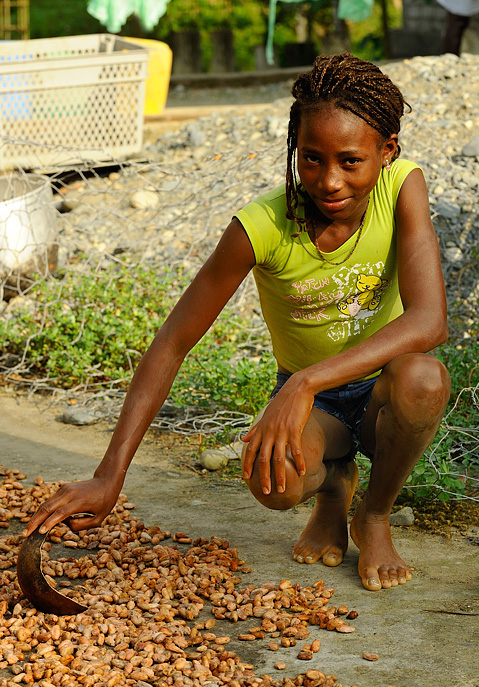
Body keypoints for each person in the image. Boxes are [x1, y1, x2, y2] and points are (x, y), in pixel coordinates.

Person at [24, 53, 450, 592]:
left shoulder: (403, 187)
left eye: (350, 161)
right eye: (311, 159)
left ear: (386, 152)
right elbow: (173, 342)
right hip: (318, 409)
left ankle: (376, 514)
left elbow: (430, 320)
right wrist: (110, 475)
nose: (328, 180)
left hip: (376, 388)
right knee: (273, 483)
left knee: (424, 379)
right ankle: (333, 489)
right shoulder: (260, 227)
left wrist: (306, 379)